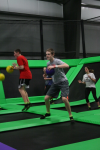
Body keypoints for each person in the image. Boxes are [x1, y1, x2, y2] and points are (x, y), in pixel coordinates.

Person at [40, 48, 74, 122]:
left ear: (53, 54)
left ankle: (70, 115)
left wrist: (55, 66)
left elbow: (67, 65)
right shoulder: (48, 63)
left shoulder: (57, 61)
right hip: (55, 83)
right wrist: (45, 74)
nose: (47, 56)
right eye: (46, 54)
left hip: (63, 82)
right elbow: (50, 73)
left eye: (49, 54)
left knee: (64, 99)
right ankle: (48, 112)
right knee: (46, 98)